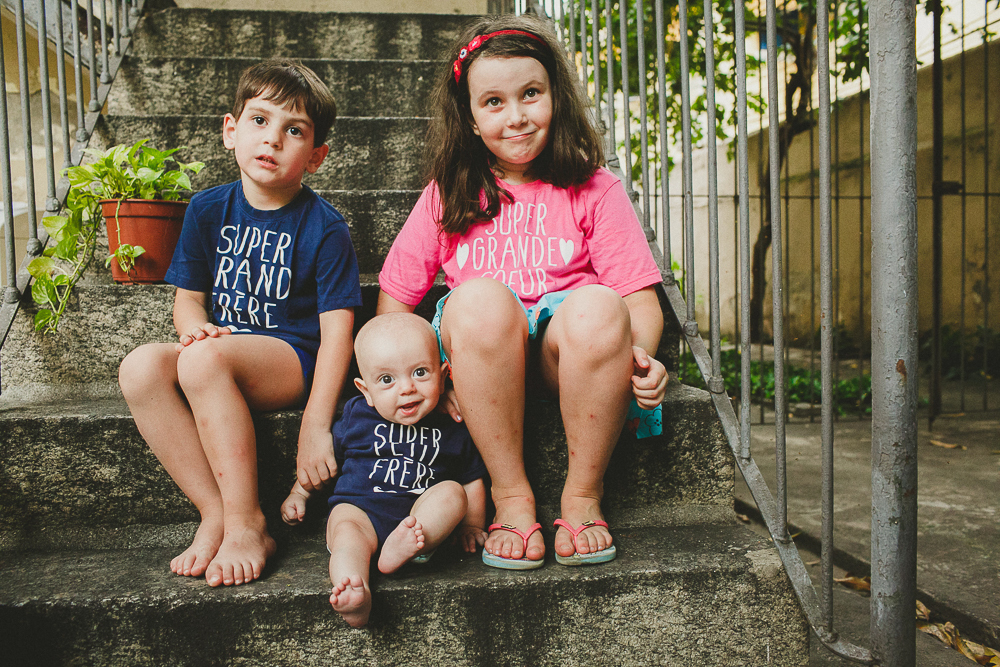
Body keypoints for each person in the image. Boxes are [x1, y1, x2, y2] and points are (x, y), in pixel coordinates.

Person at [377, 15, 669, 570]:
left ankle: (583, 494)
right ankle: (512, 496)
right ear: (469, 115)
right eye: (493, 102)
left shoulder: (594, 188)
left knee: (599, 304)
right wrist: (432, 374)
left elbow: (638, 302)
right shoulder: (449, 194)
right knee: (480, 300)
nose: (516, 117)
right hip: (481, 354)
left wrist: (641, 361)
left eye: (530, 94)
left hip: (568, 356)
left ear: (555, 95)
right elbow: (393, 305)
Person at [118, 59, 362, 588]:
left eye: (292, 130)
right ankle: (216, 512)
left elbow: (339, 335)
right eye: (259, 120)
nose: (271, 139)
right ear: (231, 130)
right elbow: (188, 302)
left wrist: (315, 427)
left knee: (205, 361)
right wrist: (193, 330)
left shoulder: (325, 229)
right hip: (219, 357)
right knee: (139, 367)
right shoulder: (208, 209)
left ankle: (249, 521)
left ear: (316, 156)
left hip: (290, 359)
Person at [281, 313, 488, 628]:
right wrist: (300, 492)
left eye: (420, 372)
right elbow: (325, 458)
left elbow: (471, 478)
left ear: (444, 375)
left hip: (418, 525)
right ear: (365, 390)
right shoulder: (356, 415)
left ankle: (402, 550)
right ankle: (354, 591)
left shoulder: (453, 422)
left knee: (452, 493)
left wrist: (472, 525)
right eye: (387, 380)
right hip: (360, 510)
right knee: (346, 534)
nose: (406, 389)